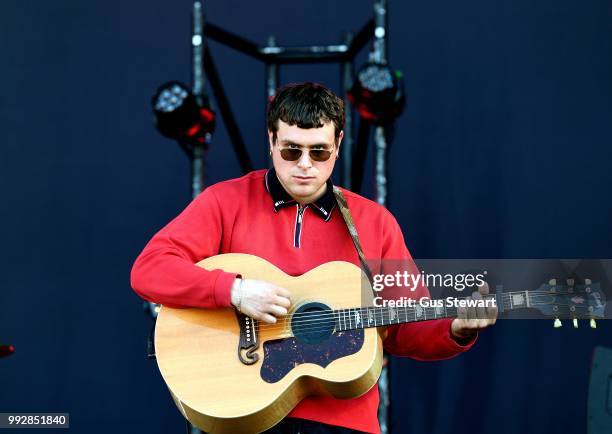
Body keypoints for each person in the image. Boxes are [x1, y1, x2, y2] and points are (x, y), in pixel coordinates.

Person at [130, 82, 497, 434]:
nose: (305, 165)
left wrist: (455, 328)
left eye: (319, 152)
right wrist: (234, 291)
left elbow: (403, 324)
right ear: (271, 141)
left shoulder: (374, 222)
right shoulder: (225, 202)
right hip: (245, 414)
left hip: (344, 423)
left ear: (338, 145)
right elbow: (149, 270)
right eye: (292, 150)